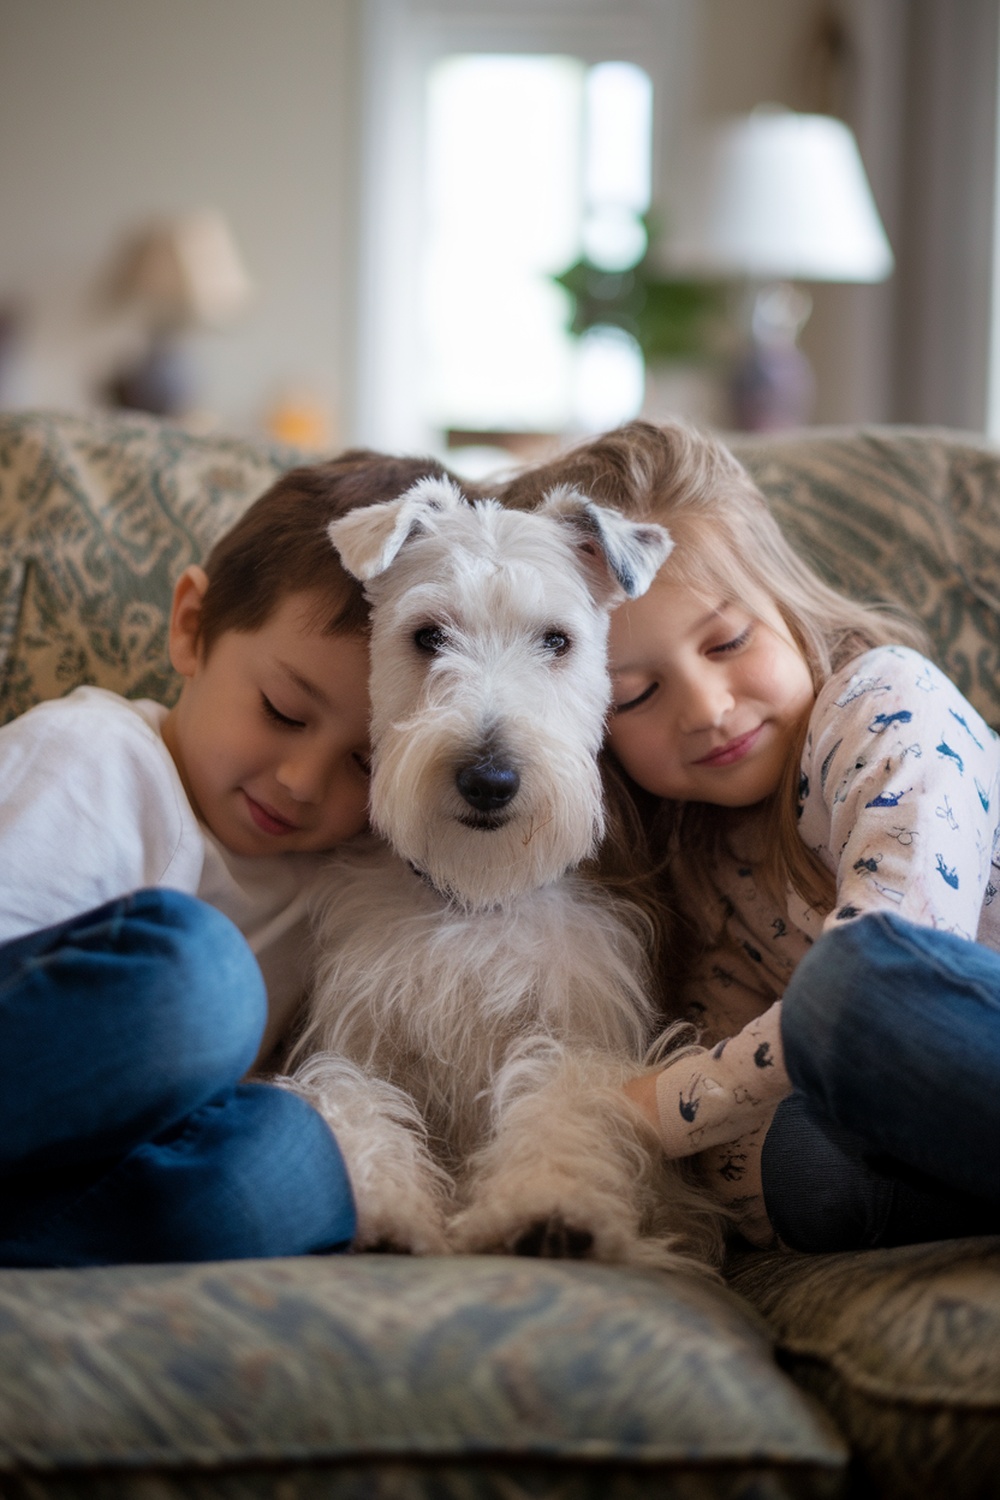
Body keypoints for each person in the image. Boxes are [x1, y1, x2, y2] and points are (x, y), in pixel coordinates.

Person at [502, 419, 1000, 1254]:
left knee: (855, 985)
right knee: (801, 1166)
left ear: (785, 601)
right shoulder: (697, 868)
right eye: (636, 695)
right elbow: (735, 1148)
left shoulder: (885, 706)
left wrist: (649, 1110)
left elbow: (896, 962)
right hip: (944, 1113)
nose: (706, 708)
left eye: (728, 642)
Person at [0, 448, 453, 1268]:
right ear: (191, 627)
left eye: (367, 766)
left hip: (55, 1180)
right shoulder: (95, 757)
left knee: (297, 1159)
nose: (301, 782)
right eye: (282, 711)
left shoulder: (340, 877)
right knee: (198, 983)